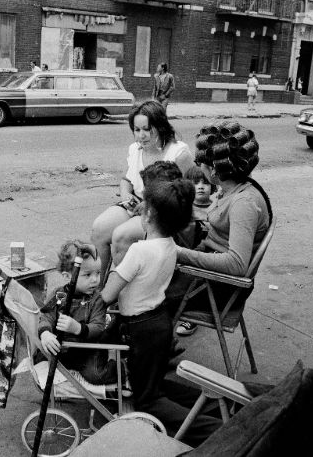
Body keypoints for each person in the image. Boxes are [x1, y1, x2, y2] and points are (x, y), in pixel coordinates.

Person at [100, 177, 222, 447]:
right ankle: (220, 407)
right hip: (160, 322)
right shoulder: (169, 245)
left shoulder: (139, 250)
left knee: (148, 400)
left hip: (140, 329)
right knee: (156, 386)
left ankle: (215, 430)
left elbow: (108, 295)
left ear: (149, 214)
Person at [172, 121, 272, 314]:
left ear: (215, 170)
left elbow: (236, 265)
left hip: (220, 288)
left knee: (145, 297)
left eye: (202, 163)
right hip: (212, 273)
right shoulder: (232, 188)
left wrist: (181, 254)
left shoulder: (243, 203)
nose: (199, 166)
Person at [91, 100, 194, 281]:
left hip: (162, 212)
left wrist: (151, 203)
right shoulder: (135, 149)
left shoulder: (179, 152)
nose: (141, 135)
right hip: (137, 203)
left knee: (121, 236)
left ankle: (123, 291)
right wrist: (125, 195)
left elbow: (186, 192)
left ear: (160, 126)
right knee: (99, 229)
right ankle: (101, 284)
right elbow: (127, 179)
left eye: (147, 129)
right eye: (137, 130)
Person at [38, 240, 117, 385]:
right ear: (68, 276)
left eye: (98, 273)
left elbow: (98, 327)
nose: (95, 280)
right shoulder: (59, 295)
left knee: (96, 376)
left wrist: (77, 328)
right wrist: (45, 333)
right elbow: (46, 315)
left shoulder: (97, 299)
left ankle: (119, 369)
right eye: (87, 275)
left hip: (87, 351)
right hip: (63, 349)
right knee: (41, 361)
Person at [175, 165, 216, 337]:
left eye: (205, 183)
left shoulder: (215, 208)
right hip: (185, 253)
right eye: (195, 183)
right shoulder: (184, 208)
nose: (200, 186)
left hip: (204, 258)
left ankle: (192, 317)